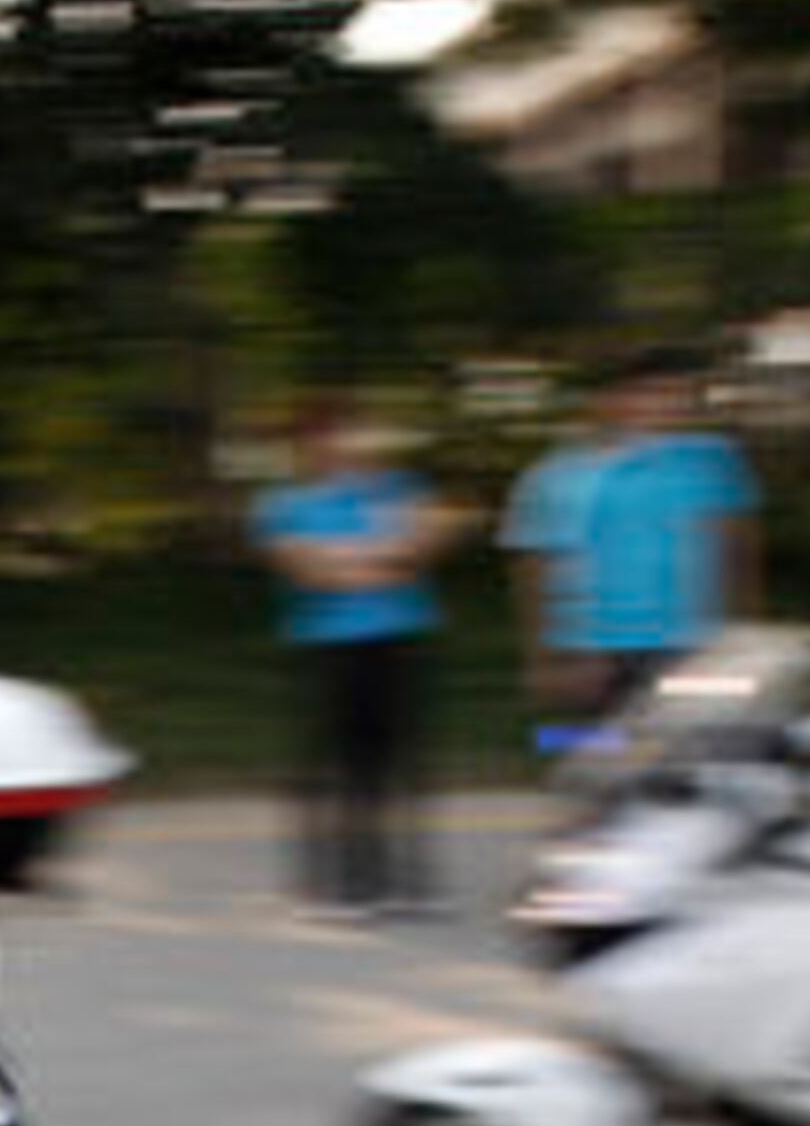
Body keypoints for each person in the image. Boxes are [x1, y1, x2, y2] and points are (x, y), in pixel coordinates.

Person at [251, 400, 469, 917]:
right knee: (337, 768)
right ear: (303, 448)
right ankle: (333, 886)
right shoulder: (283, 503)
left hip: (401, 638)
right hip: (327, 645)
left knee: (404, 766)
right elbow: (310, 572)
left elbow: (425, 547)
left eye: (349, 434)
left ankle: (407, 883)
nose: (339, 447)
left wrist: (352, 558)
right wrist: (382, 555)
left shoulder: (401, 488)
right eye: (323, 437)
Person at [500, 347, 763, 731]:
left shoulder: (715, 458)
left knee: (698, 763)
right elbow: (534, 570)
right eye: (654, 392)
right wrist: (545, 660)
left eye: (683, 394)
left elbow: (739, 550)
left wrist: (745, 639)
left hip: (694, 648)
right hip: (596, 653)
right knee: (586, 757)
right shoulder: (557, 474)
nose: (674, 405)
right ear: (610, 400)